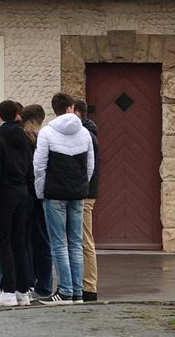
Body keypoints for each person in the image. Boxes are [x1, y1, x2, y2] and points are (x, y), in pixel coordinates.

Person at [34, 92, 95, 304]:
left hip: (55, 193)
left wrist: (40, 192)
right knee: (76, 243)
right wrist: (81, 185)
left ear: (55, 109)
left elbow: (39, 166)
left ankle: (65, 291)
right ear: (71, 107)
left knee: (59, 244)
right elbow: (90, 166)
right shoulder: (85, 133)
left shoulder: (47, 133)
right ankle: (77, 291)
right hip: (77, 193)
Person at [0, 100, 35, 306]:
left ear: (0, 115)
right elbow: (31, 169)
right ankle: (23, 291)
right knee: (20, 242)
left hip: (3, 195)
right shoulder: (25, 138)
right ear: (17, 114)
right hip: (22, 192)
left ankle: (9, 292)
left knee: (4, 244)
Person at [20, 104, 53, 298]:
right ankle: (43, 283)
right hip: (43, 194)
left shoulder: (33, 139)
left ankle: (36, 282)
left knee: (33, 240)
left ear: (30, 122)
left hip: (32, 194)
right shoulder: (48, 138)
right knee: (42, 240)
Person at [74, 97, 99, 302]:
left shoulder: (86, 135)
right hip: (85, 192)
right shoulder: (90, 132)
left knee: (85, 240)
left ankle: (89, 286)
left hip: (85, 194)